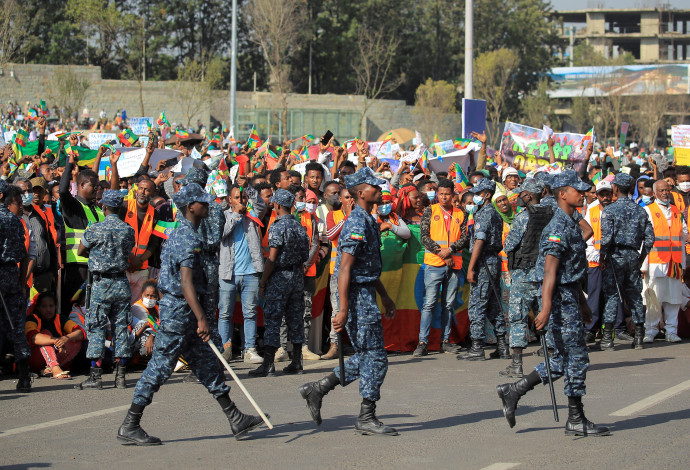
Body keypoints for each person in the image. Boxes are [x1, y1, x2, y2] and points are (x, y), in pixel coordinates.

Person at [117, 183, 265, 446]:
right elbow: (185, 283)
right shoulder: (187, 236)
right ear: (189, 207)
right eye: (202, 202)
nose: (207, 205)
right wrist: (201, 318)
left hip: (185, 310)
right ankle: (130, 423)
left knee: (207, 364)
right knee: (160, 367)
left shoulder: (189, 232)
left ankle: (234, 417)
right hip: (180, 312)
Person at [497, 170, 610, 437]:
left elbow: (570, 271)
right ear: (562, 193)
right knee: (577, 358)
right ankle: (575, 417)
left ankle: (514, 391)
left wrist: (582, 302)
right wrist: (546, 307)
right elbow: (550, 270)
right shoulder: (557, 227)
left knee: (560, 359)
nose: (582, 194)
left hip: (569, 296)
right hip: (558, 300)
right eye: (577, 190)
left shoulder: (570, 222)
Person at [299, 167, 398, 436]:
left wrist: (385, 296)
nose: (379, 189)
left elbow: (366, 268)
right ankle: (366, 416)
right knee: (376, 359)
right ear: (361, 192)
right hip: (356, 299)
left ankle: (317, 389)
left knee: (367, 356)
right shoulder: (356, 222)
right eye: (374, 186)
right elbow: (345, 269)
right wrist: (342, 309)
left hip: (365, 293)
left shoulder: (367, 219)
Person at [75, 190, 135, 390]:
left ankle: (96, 375)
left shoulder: (95, 229)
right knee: (120, 328)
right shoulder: (128, 230)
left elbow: (81, 251)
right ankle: (121, 376)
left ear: (105, 207)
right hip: (121, 283)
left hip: (101, 284)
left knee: (97, 327)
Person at [250, 189, 309, 377]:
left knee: (273, 319)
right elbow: (303, 257)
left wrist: (263, 282)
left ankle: (268, 365)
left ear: (277, 205)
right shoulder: (299, 227)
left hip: (280, 277)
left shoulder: (277, 227)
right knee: (295, 318)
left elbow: (272, 258)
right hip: (297, 276)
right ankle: (297, 362)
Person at [501, 179, 552, 378]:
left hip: (524, 273)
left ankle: (516, 365)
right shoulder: (552, 213)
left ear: (529, 195)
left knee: (518, 318)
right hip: (545, 273)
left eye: (522, 194)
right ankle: (551, 360)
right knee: (545, 316)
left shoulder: (523, 217)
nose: (520, 197)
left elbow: (510, 244)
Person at [600, 173, 655, 350]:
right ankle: (639, 337)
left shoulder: (609, 210)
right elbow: (650, 238)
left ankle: (607, 339)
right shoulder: (640, 210)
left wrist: (602, 257)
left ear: (615, 188)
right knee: (634, 295)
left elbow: (606, 238)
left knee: (612, 295)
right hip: (632, 255)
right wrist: (641, 257)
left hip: (615, 255)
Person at [415, 178, 466, 356]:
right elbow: (424, 237)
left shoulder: (461, 213)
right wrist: (442, 253)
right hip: (434, 264)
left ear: (453, 195)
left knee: (448, 305)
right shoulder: (430, 210)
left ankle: (446, 341)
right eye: (441, 194)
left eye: (447, 194)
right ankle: (422, 342)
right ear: (438, 194)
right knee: (429, 304)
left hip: (454, 266)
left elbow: (465, 238)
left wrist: (450, 250)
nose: (444, 197)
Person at [458, 178, 508, 361]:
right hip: (492, 261)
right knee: (493, 305)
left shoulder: (485, 214)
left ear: (487, 195)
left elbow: (479, 241)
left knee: (477, 305)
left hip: (483, 262)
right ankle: (502, 346)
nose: (476, 196)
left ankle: (477, 347)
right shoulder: (492, 213)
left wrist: (471, 268)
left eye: (479, 193)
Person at [218, 176, 266, 364]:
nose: (241, 201)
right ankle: (225, 348)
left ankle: (250, 349)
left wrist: (249, 188)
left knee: (250, 313)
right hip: (228, 273)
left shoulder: (253, 215)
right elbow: (223, 234)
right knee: (225, 313)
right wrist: (237, 214)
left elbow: (261, 206)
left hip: (250, 272)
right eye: (237, 198)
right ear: (230, 200)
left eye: (243, 197)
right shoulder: (223, 216)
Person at [59, 137, 106, 314]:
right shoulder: (73, 207)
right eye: (93, 186)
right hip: (76, 267)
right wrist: (69, 164)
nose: (96, 189)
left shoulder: (97, 210)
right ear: (81, 185)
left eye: (98, 187)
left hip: (95, 266)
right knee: (70, 307)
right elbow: (63, 191)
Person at [641, 180, 687, 343]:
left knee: (674, 299)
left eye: (667, 190)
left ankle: (671, 331)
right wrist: (643, 265)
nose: (665, 193)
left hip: (674, 263)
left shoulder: (677, 211)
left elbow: (682, 238)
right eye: (661, 190)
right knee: (654, 299)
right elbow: (643, 241)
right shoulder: (648, 211)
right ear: (654, 193)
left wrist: (683, 262)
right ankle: (651, 330)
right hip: (656, 263)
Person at [0, 182, 32, 392]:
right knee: (16, 327)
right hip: (12, 274)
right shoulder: (16, 220)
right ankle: (24, 376)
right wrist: (21, 284)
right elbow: (23, 255)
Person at [323, 185, 355, 360]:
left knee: (356, 307)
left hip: (356, 270)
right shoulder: (332, 215)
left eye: (352, 197)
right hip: (337, 271)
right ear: (340, 200)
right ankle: (335, 344)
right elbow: (331, 234)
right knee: (337, 308)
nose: (350, 200)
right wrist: (347, 218)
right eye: (346, 197)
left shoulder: (360, 216)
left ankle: (353, 343)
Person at [26, 292, 84, 379]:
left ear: (55, 306)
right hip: (35, 359)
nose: (48, 309)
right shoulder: (32, 318)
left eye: (51, 306)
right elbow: (33, 338)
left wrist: (65, 339)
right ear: (38, 308)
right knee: (46, 334)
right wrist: (55, 341)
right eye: (44, 306)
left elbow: (80, 332)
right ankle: (54, 367)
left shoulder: (60, 318)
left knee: (76, 340)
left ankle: (49, 368)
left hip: (59, 357)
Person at [130, 280, 160, 360]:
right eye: (147, 295)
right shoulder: (138, 308)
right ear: (142, 294)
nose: (149, 298)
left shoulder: (157, 308)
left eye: (153, 296)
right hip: (139, 340)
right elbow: (148, 326)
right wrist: (151, 337)